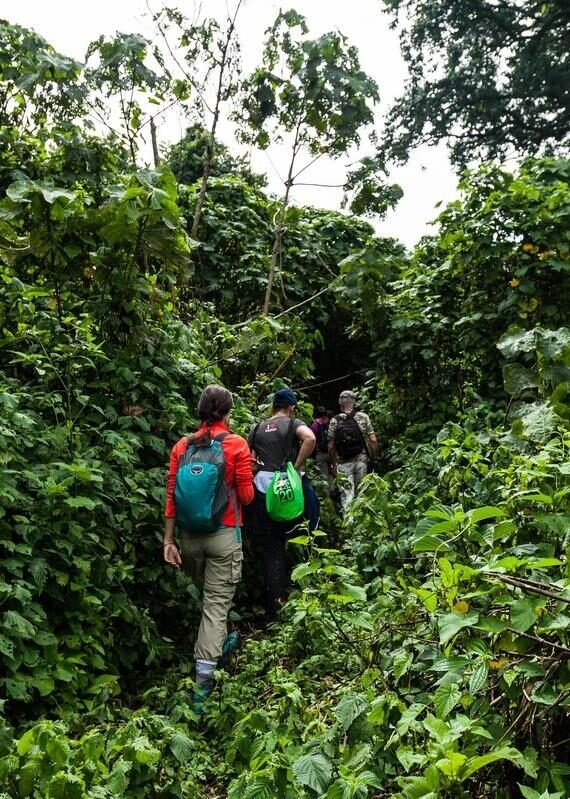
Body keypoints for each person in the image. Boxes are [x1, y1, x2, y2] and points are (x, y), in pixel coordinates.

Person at [163, 385, 254, 712]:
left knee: (211, 602)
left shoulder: (182, 446)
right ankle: (202, 688)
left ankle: (220, 642)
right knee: (215, 607)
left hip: (188, 539)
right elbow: (246, 498)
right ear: (227, 413)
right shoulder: (236, 445)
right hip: (223, 536)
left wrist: (168, 541)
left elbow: (172, 495)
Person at [248, 387, 317, 619]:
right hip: (292, 488)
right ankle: (311, 596)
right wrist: (296, 467)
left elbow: (252, 462)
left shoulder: (256, 428)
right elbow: (310, 438)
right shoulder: (293, 423)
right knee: (309, 536)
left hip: (264, 490)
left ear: (273, 407)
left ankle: (274, 606)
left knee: (272, 549)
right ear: (291, 407)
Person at [328, 390, 378, 509]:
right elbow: (373, 440)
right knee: (361, 493)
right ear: (354, 402)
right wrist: (374, 458)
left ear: (340, 404)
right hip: (361, 460)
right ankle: (360, 522)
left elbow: (330, 446)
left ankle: (349, 523)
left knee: (347, 494)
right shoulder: (363, 417)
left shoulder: (335, 420)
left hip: (343, 462)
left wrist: (333, 464)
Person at [310, 405, 332, 484]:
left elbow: (312, 439)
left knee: (324, 476)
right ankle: (334, 492)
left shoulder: (315, 425)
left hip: (320, 453)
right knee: (334, 474)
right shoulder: (330, 422)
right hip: (331, 452)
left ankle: (326, 494)